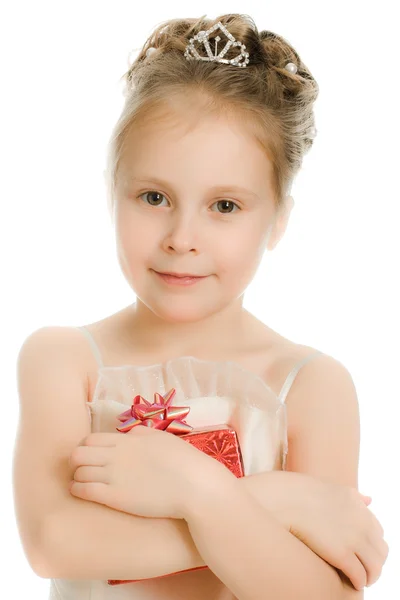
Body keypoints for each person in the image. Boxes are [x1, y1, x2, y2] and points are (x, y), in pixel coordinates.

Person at [13, 13, 388, 600]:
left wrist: (196, 488)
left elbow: (328, 594)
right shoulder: (64, 358)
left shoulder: (311, 386)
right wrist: (271, 501)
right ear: (113, 194)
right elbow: (54, 541)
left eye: (225, 206)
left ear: (277, 220)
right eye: (155, 197)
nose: (182, 237)